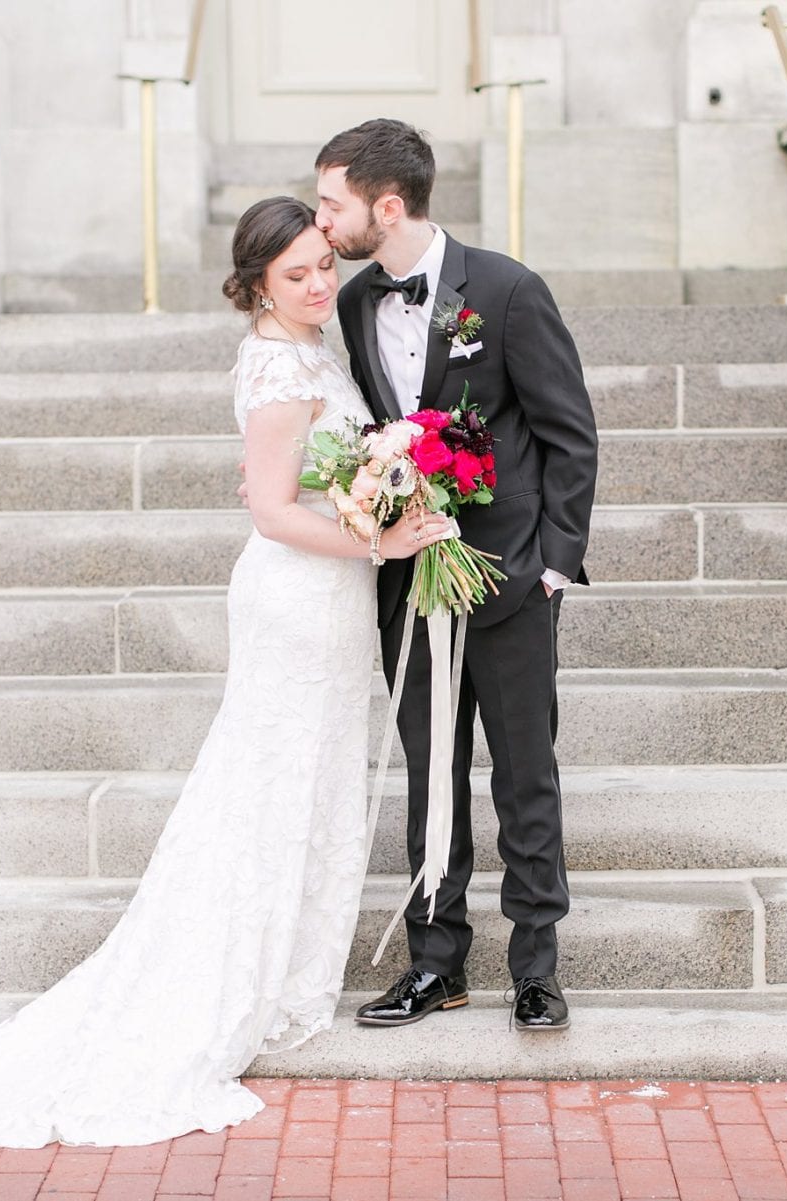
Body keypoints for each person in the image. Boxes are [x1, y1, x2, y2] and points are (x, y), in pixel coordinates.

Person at [0, 197, 452, 1147]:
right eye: (296, 275)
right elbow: (273, 514)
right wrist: (383, 535)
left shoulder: (306, 347)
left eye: (323, 264)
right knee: (268, 786)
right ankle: (220, 984)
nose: (322, 283)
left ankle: (286, 971)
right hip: (297, 598)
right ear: (255, 285)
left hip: (325, 599)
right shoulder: (281, 364)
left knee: (308, 782)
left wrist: (380, 484)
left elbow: (298, 479)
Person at [314, 119, 599, 1033]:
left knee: (525, 776)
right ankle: (437, 963)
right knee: (429, 776)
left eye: (333, 204)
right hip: (410, 585)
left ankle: (536, 967)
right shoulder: (356, 305)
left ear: (385, 206)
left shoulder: (508, 290)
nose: (323, 224)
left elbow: (568, 433)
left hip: (511, 581)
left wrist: (554, 565)